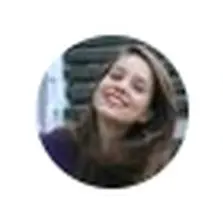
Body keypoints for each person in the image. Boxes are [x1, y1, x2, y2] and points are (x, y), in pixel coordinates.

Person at [42, 42, 184, 187]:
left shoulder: (153, 173)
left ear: (146, 114)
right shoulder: (55, 148)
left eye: (137, 87)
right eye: (116, 76)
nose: (121, 86)